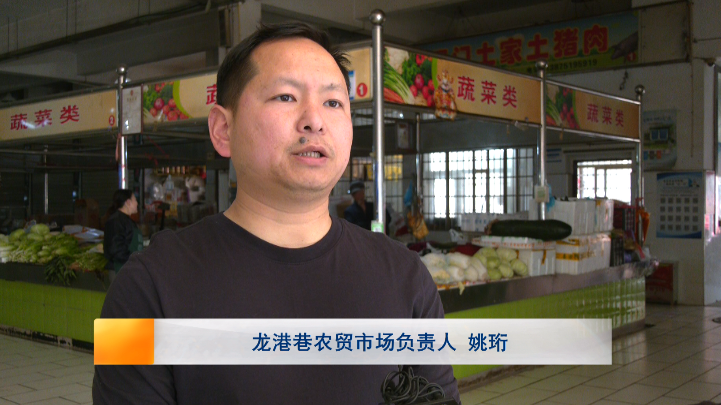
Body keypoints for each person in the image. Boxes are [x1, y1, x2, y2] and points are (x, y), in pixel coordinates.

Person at [93, 22, 459, 404]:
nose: (315, 120)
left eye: (333, 103)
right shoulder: (143, 290)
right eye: (286, 96)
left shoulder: (406, 277)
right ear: (223, 130)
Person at [102, 189, 142, 273]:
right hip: (119, 271)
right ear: (128, 202)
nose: (137, 203)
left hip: (128, 269)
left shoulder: (126, 220)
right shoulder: (116, 221)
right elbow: (116, 249)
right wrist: (134, 260)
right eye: (135, 200)